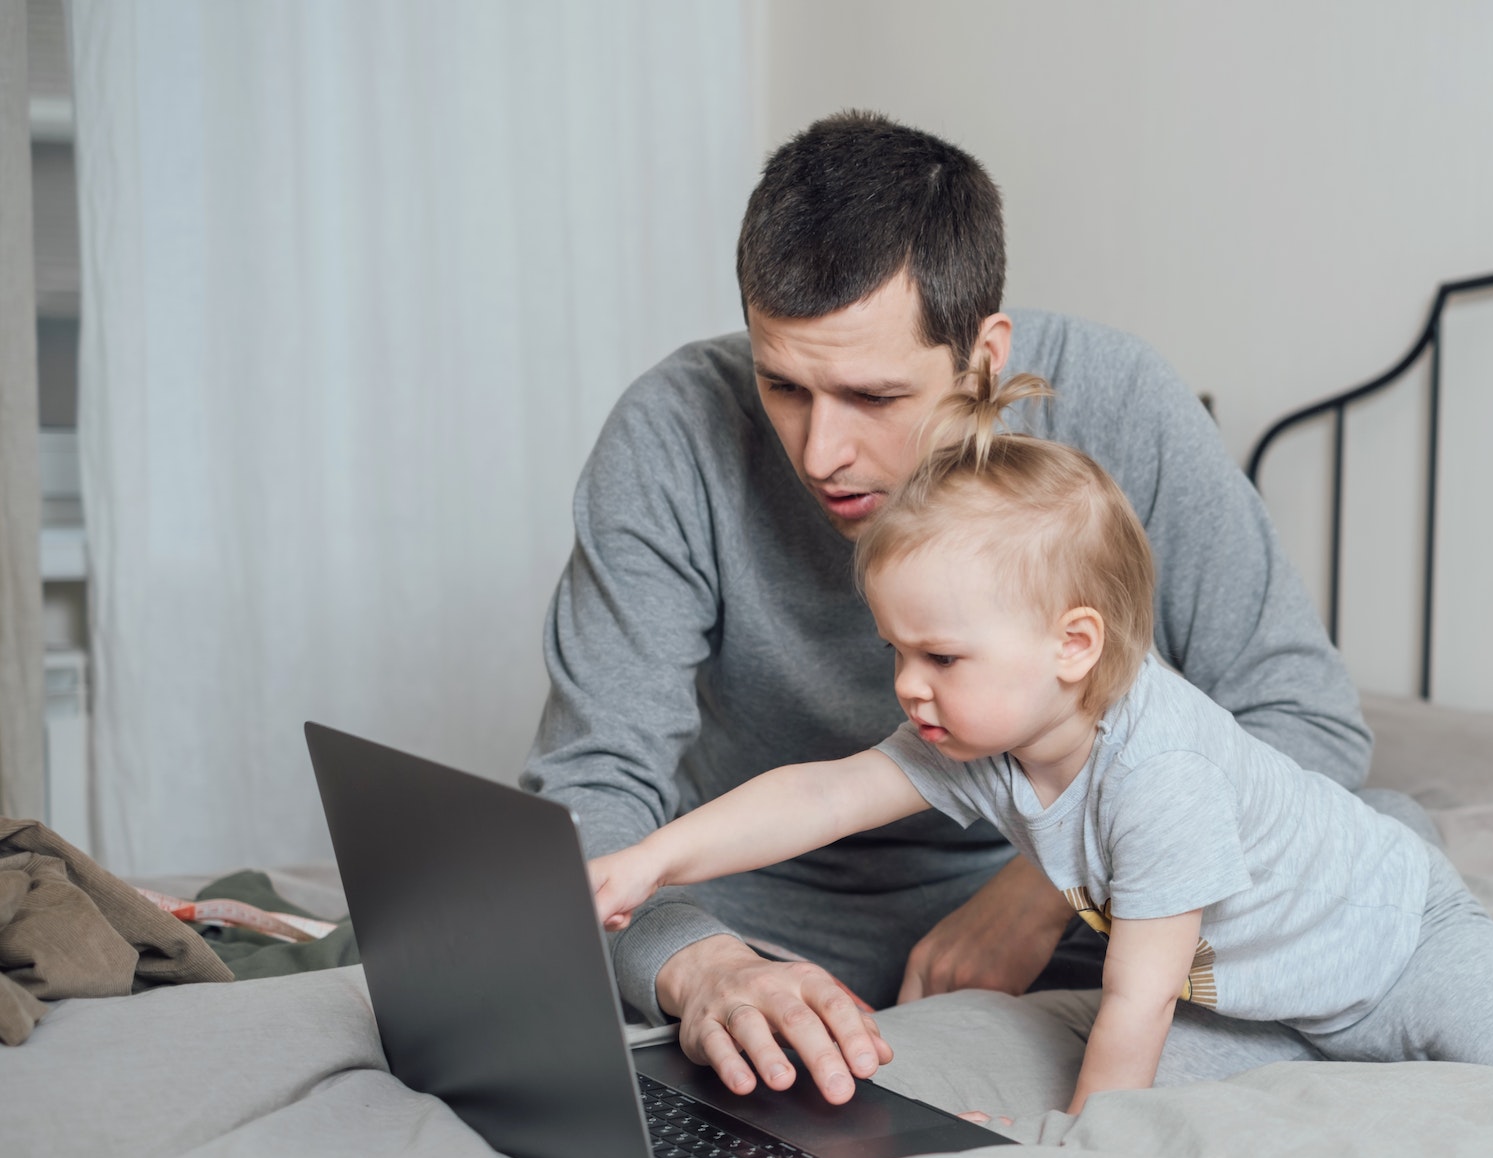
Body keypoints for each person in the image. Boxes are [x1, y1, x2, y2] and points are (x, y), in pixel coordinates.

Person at [588, 374, 1493, 1111]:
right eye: (898, 649)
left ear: (1073, 646)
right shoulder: (988, 728)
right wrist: (651, 860)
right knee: (1201, 1086)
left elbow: (1134, 1000)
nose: (909, 687)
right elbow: (824, 791)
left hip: (1407, 949)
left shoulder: (1159, 768)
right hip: (1273, 997)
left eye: (937, 656)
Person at [522, 110, 1428, 1107]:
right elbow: (589, 789)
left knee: (1384, 849)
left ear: (985, 355)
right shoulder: (671, 434)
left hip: (1091, 899)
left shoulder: (1119, 401)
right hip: (768, 912)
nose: (820, 451)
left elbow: (1300, 717)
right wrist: (703, 968)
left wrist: (1036, 894)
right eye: (782, 383)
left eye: (872, 397)